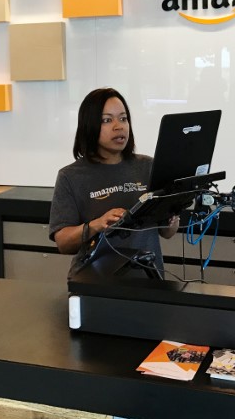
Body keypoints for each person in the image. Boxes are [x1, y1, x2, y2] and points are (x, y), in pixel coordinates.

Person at [48, 87, 178, 279]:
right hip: (94, 283)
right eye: (107, 120)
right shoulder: (70, 176)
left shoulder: (148, 166)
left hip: (149, 281)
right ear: (89, 126)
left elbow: (167, 233)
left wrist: (171, 216)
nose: (119, 126)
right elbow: (63, 243)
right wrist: (97, 224)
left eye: (123, 118)